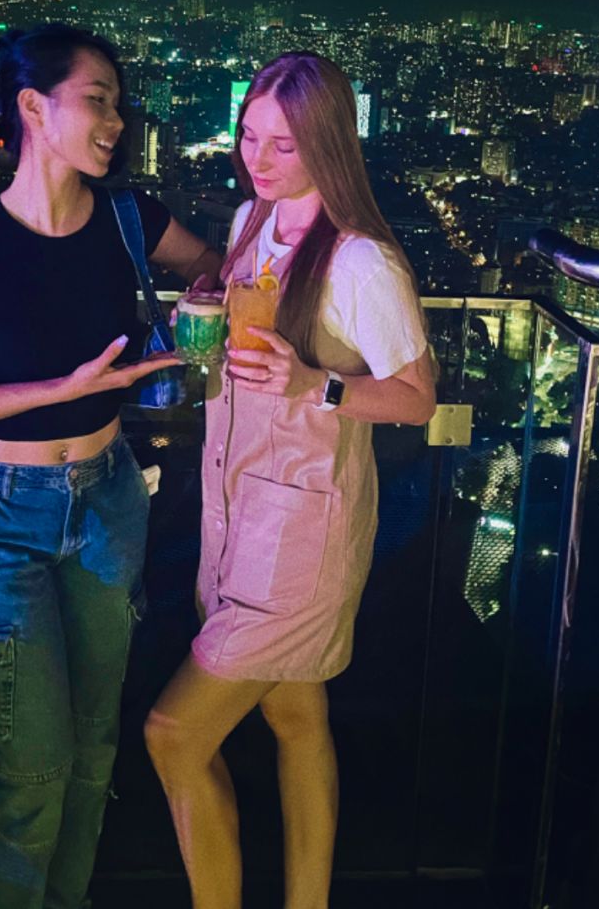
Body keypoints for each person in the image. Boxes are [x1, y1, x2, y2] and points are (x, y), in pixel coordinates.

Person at [0, 23, 222, 909]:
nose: (116, 119)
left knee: (92, 751)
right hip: (2, 508)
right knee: (31, 762)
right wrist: (67, 384)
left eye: (119, 102)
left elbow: (214, 269)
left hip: (110, 495)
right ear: (35, 107)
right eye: (98, 98)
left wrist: (201, 311)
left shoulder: (130, 219)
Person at [145, 51, 437, 909]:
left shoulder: (359, 261)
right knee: (295, 716)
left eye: (283, 146)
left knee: (173, 734)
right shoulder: (250, 220)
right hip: (235, 513)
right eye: (249, 137)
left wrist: (321, 383)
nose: (257, 159)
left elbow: (417, 398)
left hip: (302, 538)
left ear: (328, 147)